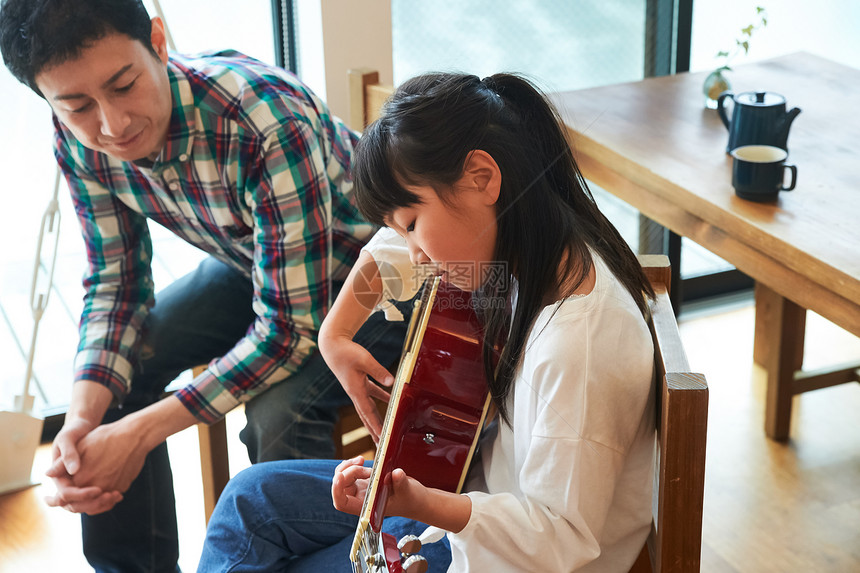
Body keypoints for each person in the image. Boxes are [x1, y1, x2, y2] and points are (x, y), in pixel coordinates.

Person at [0, 0, 410, 571]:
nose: (111, 125)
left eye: (124, 85)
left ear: (160, 43)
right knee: (120, 374)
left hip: (384, 285)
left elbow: (289, 332)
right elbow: (115, 281)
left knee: (278, 417)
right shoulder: (76, 137)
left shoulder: (266, 119)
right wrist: (82, 422)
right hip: (262, 266)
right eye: (76, 106)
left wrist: (140, 434)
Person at [197, 71, 658, 572]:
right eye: (402, 229)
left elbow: (559, 540)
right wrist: (335, 333)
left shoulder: (577, 346)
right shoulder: (534, 240)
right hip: (473, 494)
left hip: (501, 550)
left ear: (482, 177)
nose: (413, 253)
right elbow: (404, 242)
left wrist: (418, 503)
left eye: (413, 224)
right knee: (249, 498)